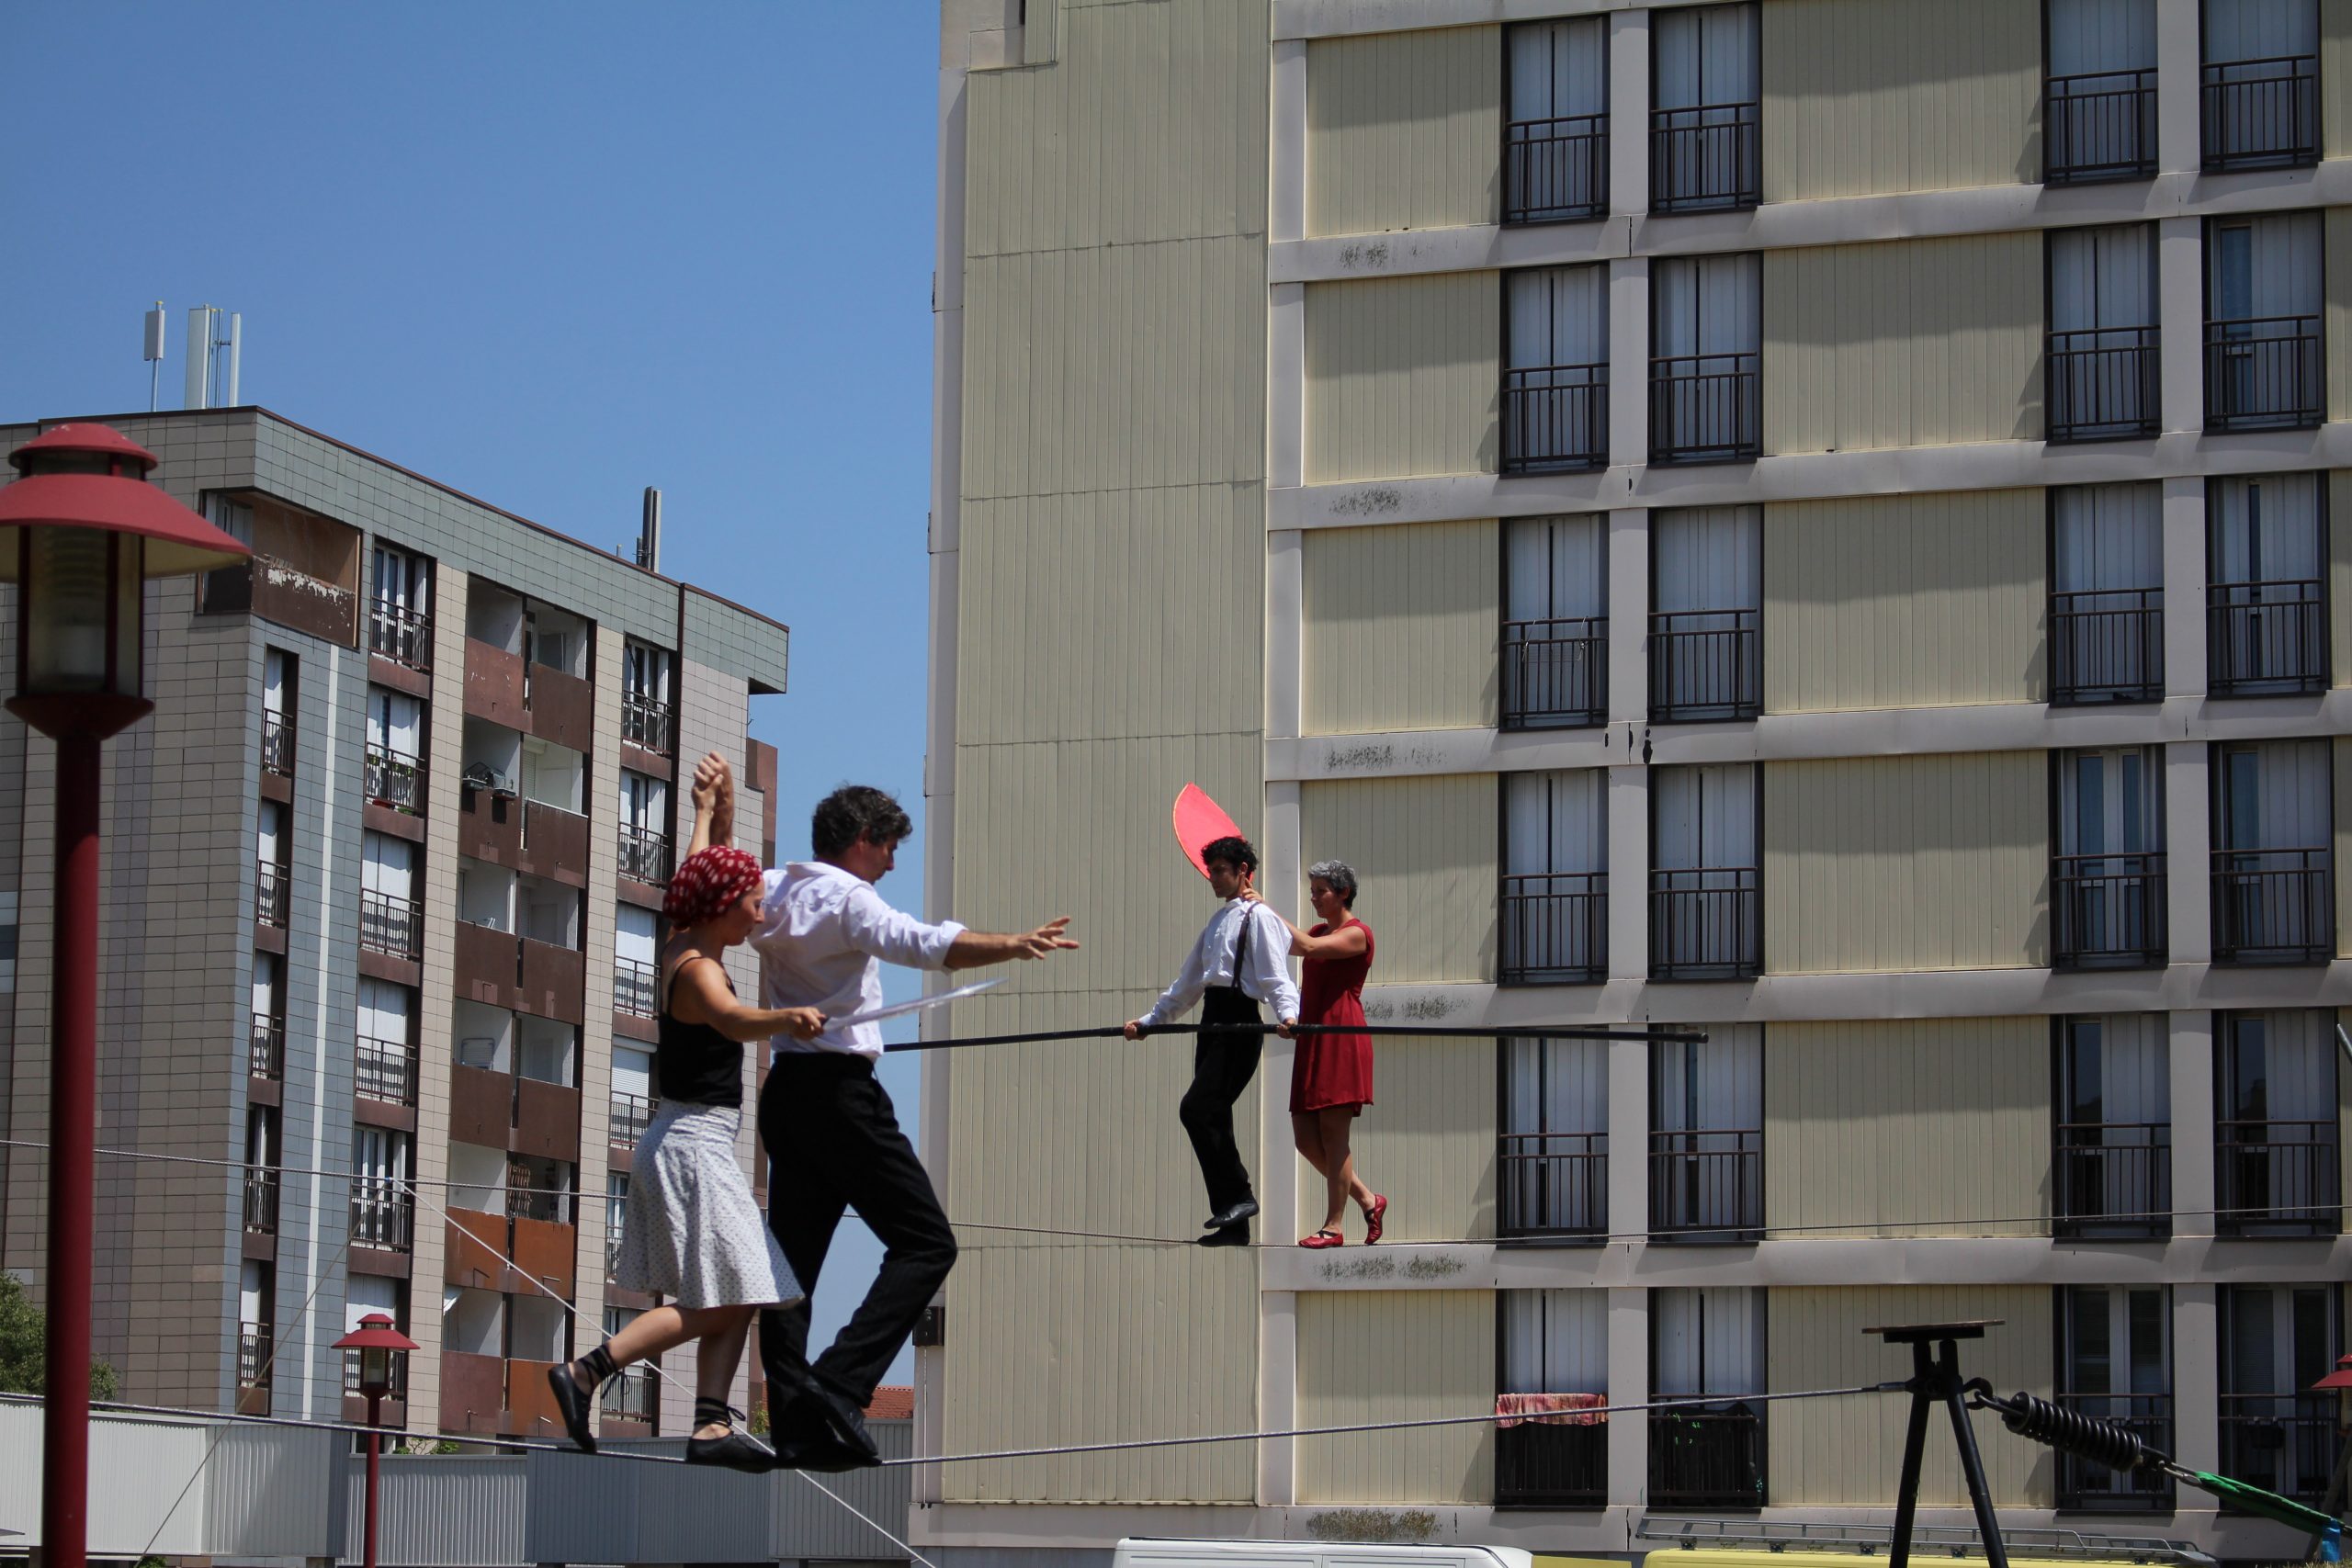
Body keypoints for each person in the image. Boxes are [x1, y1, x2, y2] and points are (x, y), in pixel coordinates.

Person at [690, 755, 1080, 1470]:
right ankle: (841, 1383)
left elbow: (715, 884)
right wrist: (1015, 944)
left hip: (787, 1092)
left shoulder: (773, 889)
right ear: (862, 838)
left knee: (789, 1269)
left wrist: (715, 816)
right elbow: (924, 945)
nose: (894, 862)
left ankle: (796, 1423)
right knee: (928, 1242)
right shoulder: (849, 899)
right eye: (891, 846)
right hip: (842, 1094)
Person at [546, 841, 827, 1471]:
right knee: (726, 1295)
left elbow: (692, 878)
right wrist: (788, 1018)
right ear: (723, 904)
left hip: (684, 1139)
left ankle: (710, 1424)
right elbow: (732, 1019)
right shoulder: (701, 973)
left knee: (742, 1286)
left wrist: (703, 812)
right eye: (755, 903)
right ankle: (587, 1371)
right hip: (694, 1145)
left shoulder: (680, 943)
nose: (761, 916)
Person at [1124, 835, 1300, 1248]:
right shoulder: (1217, 923)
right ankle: (1235, 1224)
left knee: (1197, 1109)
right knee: (1212, 1115)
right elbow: (1186, 986)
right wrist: (1151, 1022)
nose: (1214, 878)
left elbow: (1276, 977)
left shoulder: (1259, 917)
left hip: (1239, 1023)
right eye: (1211, 871)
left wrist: (1288, 1015)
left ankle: (1240, 1197)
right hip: (1212, 1022)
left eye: (1221, 870)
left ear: (1243, 872)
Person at [1251, 859, 1385, 1248]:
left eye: (1321, 891)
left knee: (1333, 1134)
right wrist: (1292, 1017)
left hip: (1341, 1036)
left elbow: (1306, 947)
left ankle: (1335, 1225)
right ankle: (1368, 1199)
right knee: (1306, 1138)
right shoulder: (1315, 931)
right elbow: (1291, 944)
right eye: (1312, 891)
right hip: (1313, 1036)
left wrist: (1262, 906)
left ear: (1343, 893)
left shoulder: (1358, 934)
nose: (1314, 898)